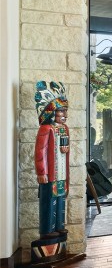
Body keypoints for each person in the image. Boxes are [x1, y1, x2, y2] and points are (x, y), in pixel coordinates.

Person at [34, 81, 70, 240]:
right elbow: (40, 152)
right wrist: (41, 172)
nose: (65, 115)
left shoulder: (64, 128)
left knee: (60, 198)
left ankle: (59, 226)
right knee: (49, 201)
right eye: (61, 112)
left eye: (65, 112)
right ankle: (47, 229)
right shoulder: (46, 129)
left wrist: (65, 147)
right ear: (52, 112)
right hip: (50, 173)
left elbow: (65, 147)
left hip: (61, 172)